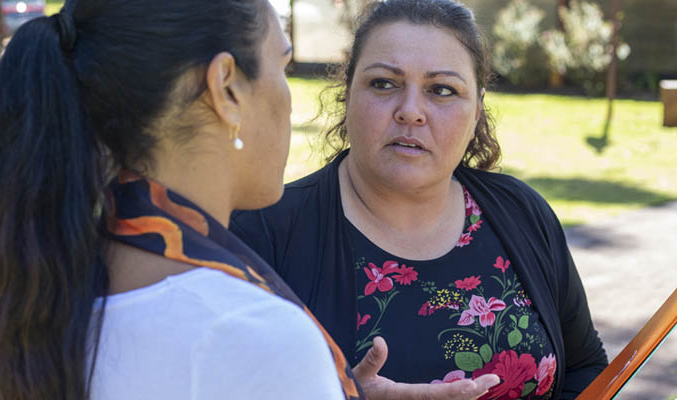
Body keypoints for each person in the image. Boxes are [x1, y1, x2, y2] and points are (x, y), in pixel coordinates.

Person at [0, 0, 370, 398]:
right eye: (282, 65)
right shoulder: (256, 339)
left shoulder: (53, 290)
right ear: (226, 88)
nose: (288, 96)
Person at [231, 0, 608, 399]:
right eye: (384, 83)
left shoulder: (521, 212)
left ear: (477, 110)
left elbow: (585, 367)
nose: (411, 112)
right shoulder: (259, 236)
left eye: (441, 90)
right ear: (348, 93)